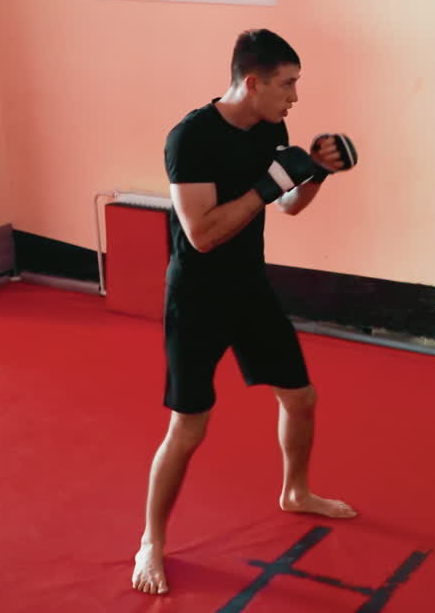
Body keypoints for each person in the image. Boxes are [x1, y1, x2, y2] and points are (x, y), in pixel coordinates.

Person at [131, 29, 358, 596]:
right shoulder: (190, 138)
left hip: (249, 288)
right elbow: (202, 234)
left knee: (301, 399)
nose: (295, 98)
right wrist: (271, 180)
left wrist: (314, 176)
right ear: (252, 83)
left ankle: (295, 492)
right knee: (189, 427)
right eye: (287, 84)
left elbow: (287, 204)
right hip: (198, 296)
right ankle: (151, 541)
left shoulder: (270, 126)